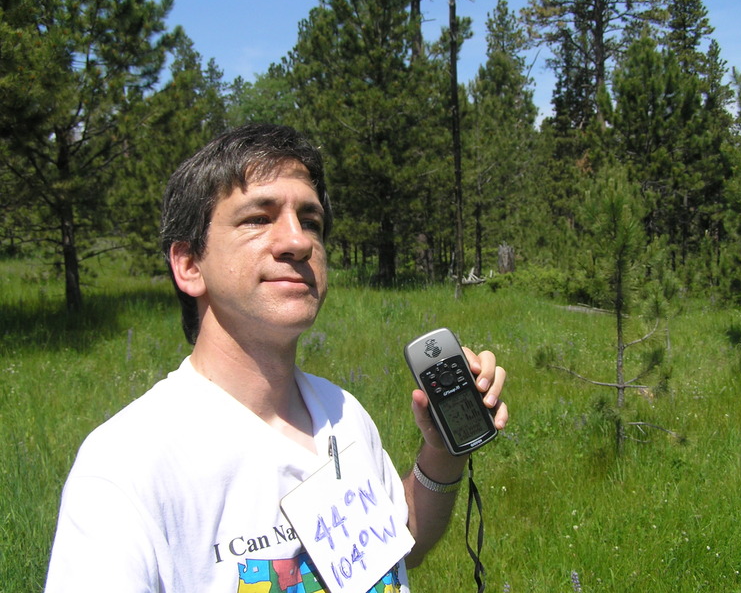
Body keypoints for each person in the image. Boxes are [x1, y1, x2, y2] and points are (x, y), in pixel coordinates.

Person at [44, 123, 507, 592]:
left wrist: (444, 452)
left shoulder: (344, 415)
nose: (299, 241)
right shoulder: (127, 467)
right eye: (258, 218)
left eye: (310, 221)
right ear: (188, 264)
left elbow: (401, 542)